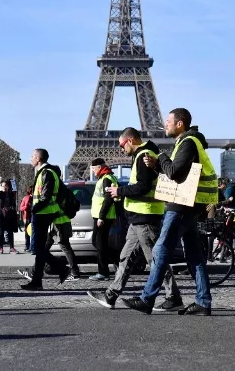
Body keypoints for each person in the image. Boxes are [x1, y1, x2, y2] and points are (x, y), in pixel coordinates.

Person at [122, 109, 215, 316]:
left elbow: (173, 172)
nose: (165, 125)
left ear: (180, 124)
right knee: (194, 256)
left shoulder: (188, 142)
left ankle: (147, 299)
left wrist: (161, 157)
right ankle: (203, 302)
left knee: (160, 250)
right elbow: (173, 171)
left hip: (182, 204)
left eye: (168, 121)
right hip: (190, 204)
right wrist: (157, 166)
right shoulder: (188, 142)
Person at [87, 128, 181, 309]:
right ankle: (110, 295)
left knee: (155, 260)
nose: (121, 149)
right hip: (138, 217)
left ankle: (173, 297)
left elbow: (144, 187)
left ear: (130, 140)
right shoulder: (144, 154)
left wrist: (119, 191)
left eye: (122, 145)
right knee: (126, 257)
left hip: (145, 216)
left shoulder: (144, 155)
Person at [19, 148, 69, 290]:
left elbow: (45, 197)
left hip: (42, 213)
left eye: (32, 155)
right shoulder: (45, 172)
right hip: (44, 213)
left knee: (36, 248)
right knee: (39, 249)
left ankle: (60, 268)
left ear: (39, 158)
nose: (30, 158)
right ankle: (37, 280)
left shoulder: (47, 173)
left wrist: (33, 209)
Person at [89, 157, 118, 281]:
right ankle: (119, 260)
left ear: (99, 167)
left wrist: (101, 217)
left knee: (99, 243)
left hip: (103, 216)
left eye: (94, 169)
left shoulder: (106, 178)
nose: (93, 171)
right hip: (101, 216)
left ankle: (104, 272)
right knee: (98, 242)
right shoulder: (105, 178)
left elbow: (108, 199)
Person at [0, 180, 18, 254]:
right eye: (3, 186)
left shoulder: (11, 194)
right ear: (1, 187)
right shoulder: (0, 194)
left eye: (6, 186)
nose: (4, 187)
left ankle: (11, 247)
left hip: (9, 215)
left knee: (10, 232)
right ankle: (1, 248)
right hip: (1, 215)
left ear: (8, 187)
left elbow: (14, 203)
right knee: (1, 233)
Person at [19, 187, 33, 252]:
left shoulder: (36, 198)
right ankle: (27, 245)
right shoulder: (25, 198)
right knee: (27, 232)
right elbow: (21, 208)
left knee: (33, 232)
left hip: (33, 216)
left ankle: (31, 246)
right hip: (27, 217)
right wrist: (26, 206)